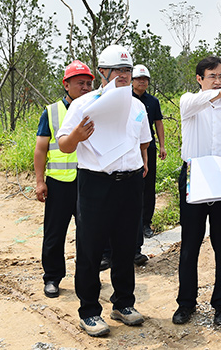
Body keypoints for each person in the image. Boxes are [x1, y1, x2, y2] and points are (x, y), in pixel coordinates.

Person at [57, 44, 152, 337]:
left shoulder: (137, 105)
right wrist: (76, 135)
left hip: (130, 183)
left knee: (126, 246)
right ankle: (89, 310)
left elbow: (143, 142)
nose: (123, 76)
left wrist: (143, 164)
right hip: (96, 184)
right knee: (91, 248)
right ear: (102, 73)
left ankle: (123, 303)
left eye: (127, 70)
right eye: (117, 71)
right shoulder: (83, 104)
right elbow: (63, 144)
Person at [172, 56, 221, 327]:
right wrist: (218, 94)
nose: (218, 81)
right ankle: (186, 303)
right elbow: (197, 101)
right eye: (212, 76)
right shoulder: (190, 104)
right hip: (195, 177)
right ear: (199, 79)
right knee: (190, 244)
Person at [34, 60, 93, 299]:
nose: (86, 88)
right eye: (80, 83)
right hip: (58, 183)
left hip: (87, 181)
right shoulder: (51, 112)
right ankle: (52, 278)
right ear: (66, 85)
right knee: (54, 233)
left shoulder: (94, 109)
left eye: (89, 83)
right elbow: (40, 149)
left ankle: (87, 279)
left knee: (89, 233)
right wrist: (40, 181)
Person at [131, 64, 167, 239]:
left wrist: (162, 145)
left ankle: (146, 223)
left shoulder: (153, 102)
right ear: (132, 80)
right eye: (139, 79)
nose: (142, 82)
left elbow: (158, 123)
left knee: (148, 186)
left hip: (148, 147)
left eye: (145, 79)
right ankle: (132, 223)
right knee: (131, 186)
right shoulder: (125, 100)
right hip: (129, 148)